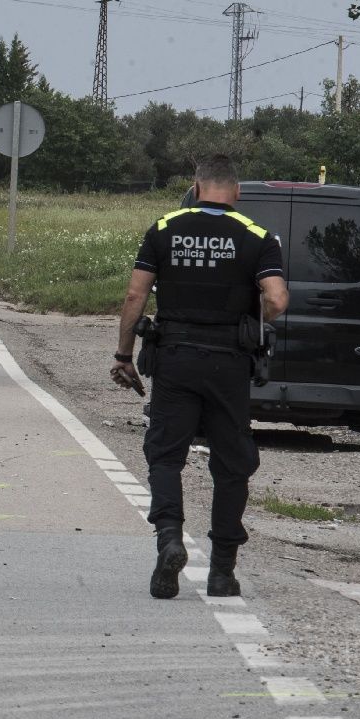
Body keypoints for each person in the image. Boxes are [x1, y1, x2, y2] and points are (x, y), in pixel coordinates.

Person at [113, 154, 287, 600]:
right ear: (237, 191)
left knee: (166, 455)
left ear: (195, 186)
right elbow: (277, 300)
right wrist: (253, 321)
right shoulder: (258, 237)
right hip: (229, 363)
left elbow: (136, 293)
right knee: (232, 463)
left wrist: (124, 354)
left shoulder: (165, 228)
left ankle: (170, 539)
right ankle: (222, 572)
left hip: (174, 358)